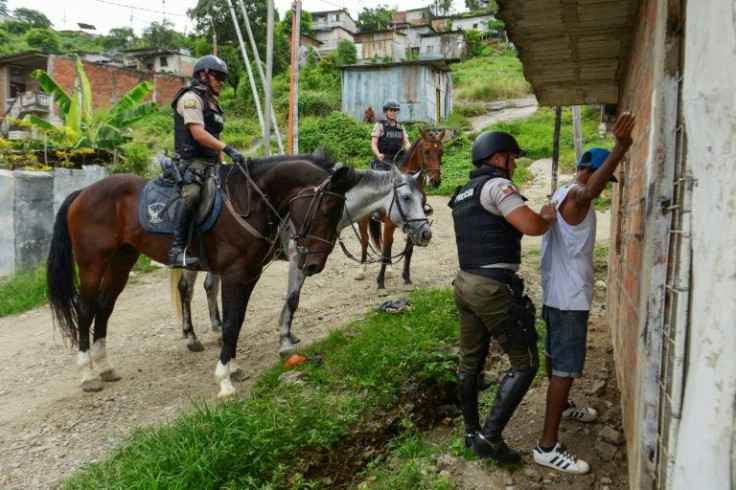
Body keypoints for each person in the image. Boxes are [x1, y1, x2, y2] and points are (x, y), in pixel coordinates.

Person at [532, 112, 636, 474]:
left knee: (553, 354)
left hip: (554, 294)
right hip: (570, 298)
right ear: (589, 169)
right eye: (604, 176)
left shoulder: (558, 192)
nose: (605, 188)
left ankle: (562, 407)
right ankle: (546, 446)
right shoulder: (578, 195)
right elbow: (589, 190)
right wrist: (620, 148)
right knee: (565, 368)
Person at [450, 130, 557, 463]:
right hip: (492, 287)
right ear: (498, 158)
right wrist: (547, 216)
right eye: (512, 158)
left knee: (469, 363)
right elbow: (531, 226)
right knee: (525, 363)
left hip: (465, 283)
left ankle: (471, 432)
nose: (513, 164)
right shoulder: (498, 186)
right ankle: (490, 438)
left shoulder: (462, 193)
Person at [168, 55, 245, 268]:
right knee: (192, 195)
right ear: (203, 75)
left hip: (210, 163)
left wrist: (223, 165)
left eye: (224, 78)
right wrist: (228, 149)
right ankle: (176, 249)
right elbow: (199, 134)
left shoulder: (213, 104)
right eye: (218, 76)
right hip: (191, 163)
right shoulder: (191, 98)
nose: (222, 82)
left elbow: (214, 139)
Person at [370, 98, 410, 171]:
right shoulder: (379, 125)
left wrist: (409, 150)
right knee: (380, 178)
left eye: (395, 110)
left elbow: (406, 143)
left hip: (398, 160)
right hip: (383, 160)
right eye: (391, 110)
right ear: (385, 112)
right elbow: (373, 144)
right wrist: (378, 154)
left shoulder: (401, 127)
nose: (393, 112)